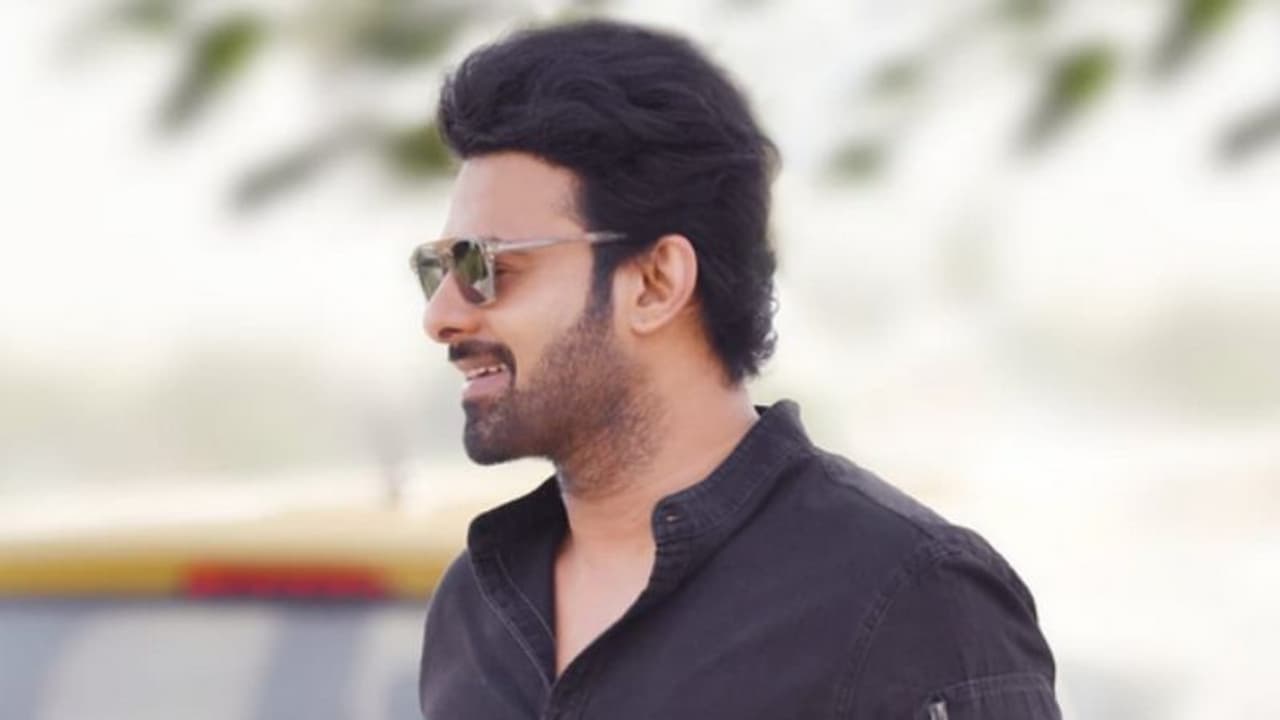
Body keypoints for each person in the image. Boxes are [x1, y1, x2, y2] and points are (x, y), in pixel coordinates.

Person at [412, 19, 1060, 720]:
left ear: (656, 283)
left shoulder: (908, 600)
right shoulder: (474, 611)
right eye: (438, 269)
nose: (441, 316)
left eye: (486, 266)